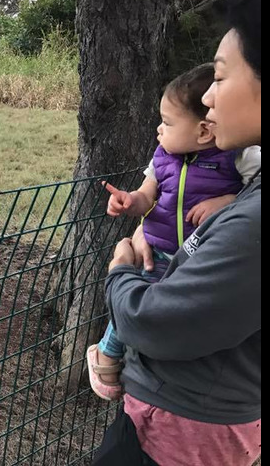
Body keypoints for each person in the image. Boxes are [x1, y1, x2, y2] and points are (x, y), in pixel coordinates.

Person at [92, 0, 261, 466]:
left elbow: (157, 321)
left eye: (222, 77)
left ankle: (105, 360)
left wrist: (120, 270)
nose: (209, 97)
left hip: (183, 425)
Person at [87, 62, 261, 401]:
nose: (158, 130)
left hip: (200, 258)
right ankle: (109, 361)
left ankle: (128, 362)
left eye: (167, 123)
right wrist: (129, 202)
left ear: (203, 132)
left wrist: (227, 200)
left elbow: (255, 193)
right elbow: (146, 195)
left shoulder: (238, 156)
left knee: (167, 313)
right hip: (161, 249)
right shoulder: (162, 157)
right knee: (137, 303)